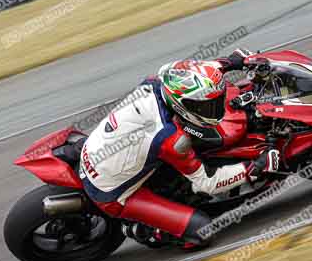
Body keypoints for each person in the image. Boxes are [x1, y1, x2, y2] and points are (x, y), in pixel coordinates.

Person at [79, 48, 279, 247]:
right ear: (184, 105)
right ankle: (143, 229)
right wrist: (254, 168)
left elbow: (196, 75)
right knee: (202, 232)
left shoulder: (156, 82)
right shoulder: (172, 139)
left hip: (97, 149)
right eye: (207, 106)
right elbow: (207, 183)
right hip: (112, 194)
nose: (215, 107)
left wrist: (232, 62)